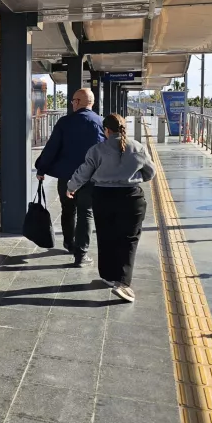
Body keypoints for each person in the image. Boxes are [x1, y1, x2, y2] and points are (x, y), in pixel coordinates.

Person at [66, 113, 156, 303]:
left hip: (103, 197)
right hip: (131, 197)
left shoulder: (97, 150)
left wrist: (71, 187)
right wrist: (133, 177)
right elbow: (150, 173)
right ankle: (123, 282)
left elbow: (84, 172)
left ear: (106, 130)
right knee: (129, 239)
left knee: (106, 236)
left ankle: (108, 276)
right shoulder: (137, 147)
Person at [35, 88, 104, 266]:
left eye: (73, 100)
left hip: (66, 178)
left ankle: (69, 242)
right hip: (90, 178)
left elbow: (52, 148)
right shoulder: (101, 122)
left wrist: (41, 168)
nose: (72, 103)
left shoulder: (64, 122)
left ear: (78, 102)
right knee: (85, 213)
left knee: (68, 209)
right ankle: (81, 254)